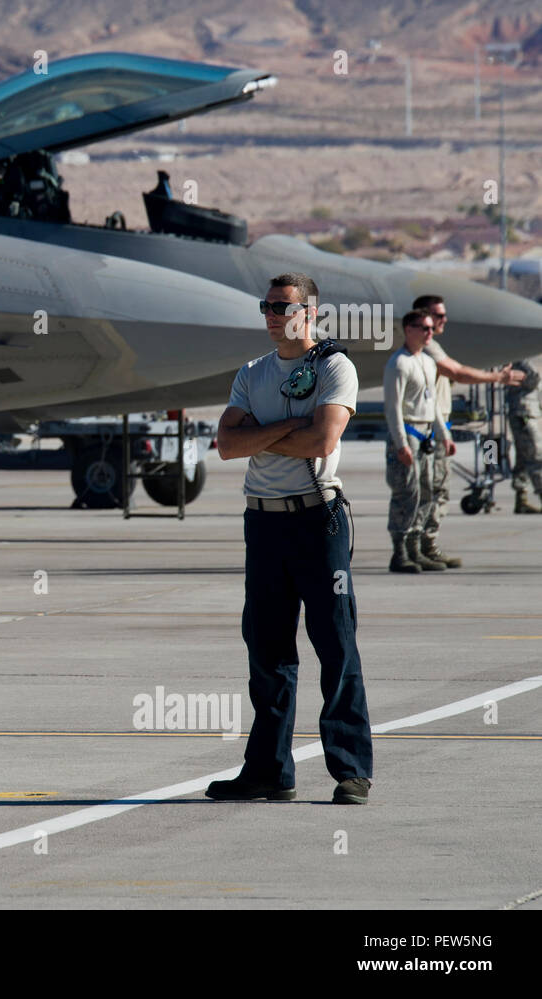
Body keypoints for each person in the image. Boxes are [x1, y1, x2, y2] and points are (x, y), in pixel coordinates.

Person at [209, 272, 372, 805]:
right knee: (267, 649)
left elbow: (323, 437)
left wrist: (263, 431)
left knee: (335, 644)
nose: (273, 314)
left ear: (312, 313)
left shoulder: (334, 367)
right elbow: (227, 445)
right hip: (264, 523)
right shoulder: (251, 372)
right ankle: (268, 771)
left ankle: (350, 770)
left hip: (316, 521)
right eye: (267, 305)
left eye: (283, 306)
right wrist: (287, 430)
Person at [411, 295, 525, 560]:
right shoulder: (428, 349)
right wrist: (497, 377)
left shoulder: (427, 347)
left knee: (434, 491)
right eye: (438, 316)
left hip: (438, 427)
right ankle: (421, 548)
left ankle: (424, 547)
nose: (443, 321)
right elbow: (458, 372)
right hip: (430, 430)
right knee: (431, 492)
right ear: (424, 315)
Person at [384, 311, 453, 572]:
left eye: (430, 328)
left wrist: (444, 436)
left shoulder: (427, 362)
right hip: (409, 433)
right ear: (408, 329)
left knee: (427, 492)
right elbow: (393, 409)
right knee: (406, 493)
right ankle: (399, 551)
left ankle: (415, 547)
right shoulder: (398, 364)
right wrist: (401, 444)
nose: (429, 333)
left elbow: (432, 402)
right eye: (423, 328)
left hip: (427, 435)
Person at [505, 358, 542, 512]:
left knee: (523, 457)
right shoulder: (521, 360)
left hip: (522, 413)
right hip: (523, 413)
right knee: (535, 455)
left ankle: (521, 499)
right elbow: (534, 377)